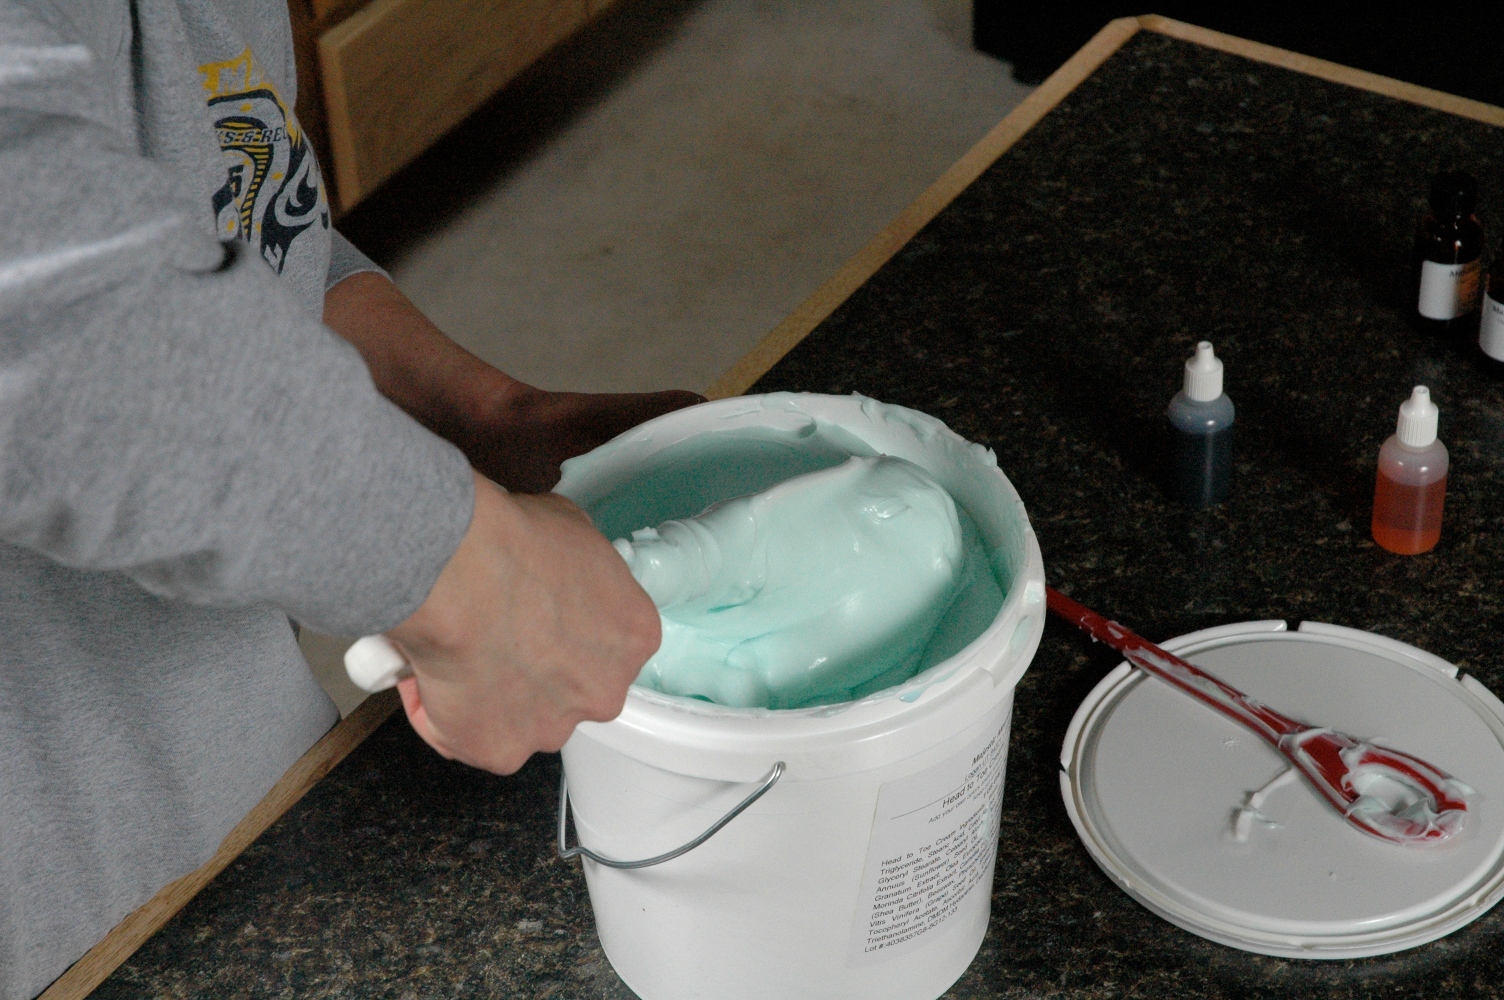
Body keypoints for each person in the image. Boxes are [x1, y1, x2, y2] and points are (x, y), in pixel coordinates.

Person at [0, 1, 699, 995]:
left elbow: (234, 219)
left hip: (240, 796)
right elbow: (45, 298)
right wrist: (463, 566)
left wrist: (485, 413)